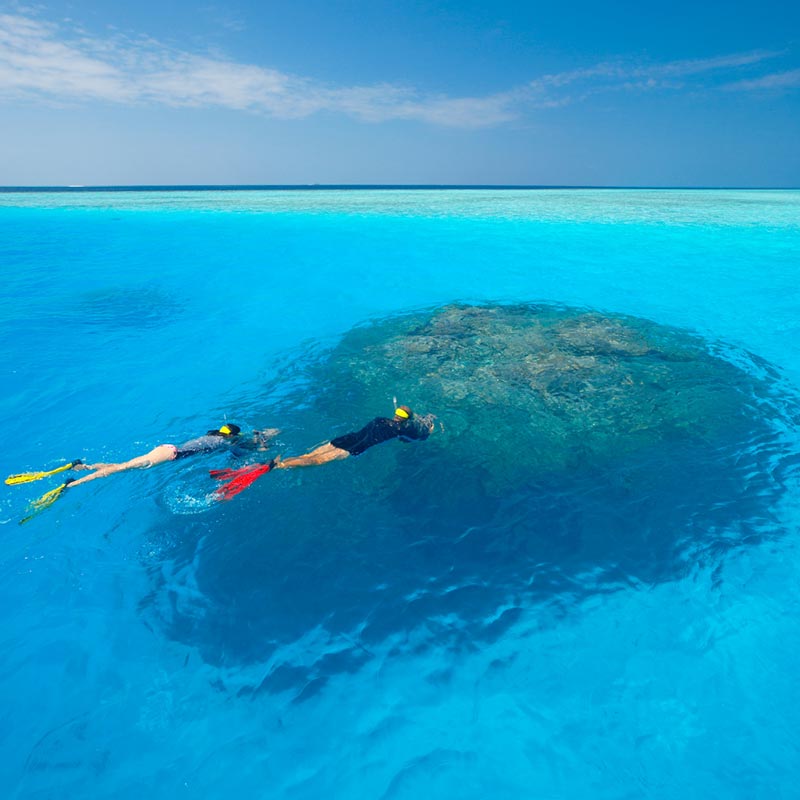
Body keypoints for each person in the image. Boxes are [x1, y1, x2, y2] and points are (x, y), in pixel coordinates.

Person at [66, 424, 279, 487]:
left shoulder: (214, 436)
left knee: (124, 464)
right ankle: (74, 484)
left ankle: (83, 467)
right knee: (121, 468)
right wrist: (261, 445)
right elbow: (238, 453)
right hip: (168, 455)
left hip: (167, 449)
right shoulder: (222, 443)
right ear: (232, 436)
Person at [275, 406, 434, 469]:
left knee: (309, 456)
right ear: (407, 420)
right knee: (316, 461)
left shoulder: (380, 419)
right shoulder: (399, 430)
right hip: (353, 448)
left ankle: (281, 462)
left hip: (345, 439)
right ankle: (279, 466)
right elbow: (414, 438)